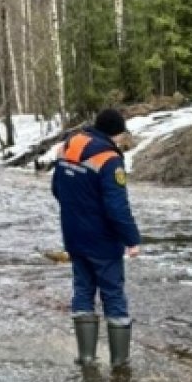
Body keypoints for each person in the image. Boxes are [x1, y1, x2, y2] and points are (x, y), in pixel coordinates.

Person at [51, 108, 142, 367]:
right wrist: (131, 239)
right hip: (102, 239)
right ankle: (119, 362)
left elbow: (57, 189)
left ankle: (87, 357)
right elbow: (117, 206)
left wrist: (77, 211)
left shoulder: (70, 144)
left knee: (82, 290)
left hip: (73, 234)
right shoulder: (109, 158)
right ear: (117, 133)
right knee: (113, 293)